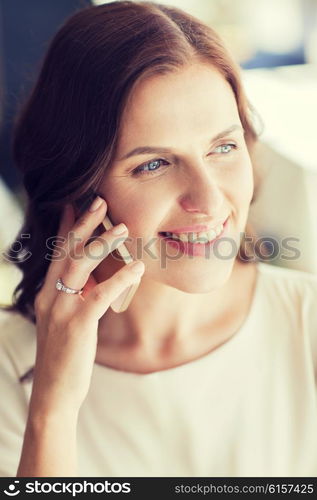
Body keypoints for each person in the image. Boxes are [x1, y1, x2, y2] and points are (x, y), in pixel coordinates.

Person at [0, 0, 316, 478]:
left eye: (223, 147)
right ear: (80, 187)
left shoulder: (306, 326)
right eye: (153, 164)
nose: (209, 200)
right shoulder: (10, 363)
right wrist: (52, 410)